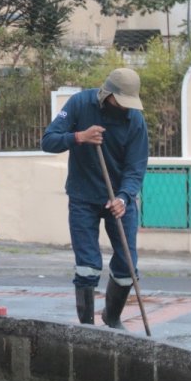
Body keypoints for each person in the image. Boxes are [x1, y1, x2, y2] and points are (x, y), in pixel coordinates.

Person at [41, 68, 148, 329]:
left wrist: (123, 197)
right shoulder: (80, 104)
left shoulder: (135, 120)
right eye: (120, 102)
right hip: (83, 197)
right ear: (106, 94)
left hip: (119, 201)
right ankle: (87, 327)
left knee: (127, 265)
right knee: (88, 264)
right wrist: (79, 137)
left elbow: (136, 167)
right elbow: (48, 140)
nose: (124, 108)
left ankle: (112, 317)